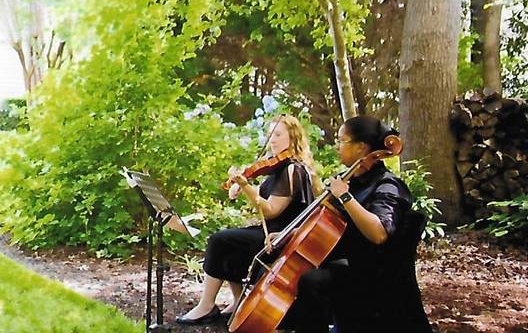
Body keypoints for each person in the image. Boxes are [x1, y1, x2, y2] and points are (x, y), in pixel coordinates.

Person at [285, 115, 433, 333]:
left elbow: (379, 233)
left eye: (342, 141)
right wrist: (290, 235)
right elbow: (326, 226)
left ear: (361, 148)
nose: (337, 147)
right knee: (300, 273)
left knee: (310, 280)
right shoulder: (349, 181)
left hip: (376, 276)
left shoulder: (388, 186)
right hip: (352, 264)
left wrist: (345, 198)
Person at [176, 114, 318, 326]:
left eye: (278, 135)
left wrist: (245, 185)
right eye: (271, 135)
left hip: (281, 237)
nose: (273, 140)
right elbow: (259, 197)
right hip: (270, 231)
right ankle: (236, 301)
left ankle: (206, 306)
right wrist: (239, 187)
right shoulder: (278, 169)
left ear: (293, 138)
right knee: (230, 239)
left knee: (220, 240)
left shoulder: (292, 169)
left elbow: (270, 210)